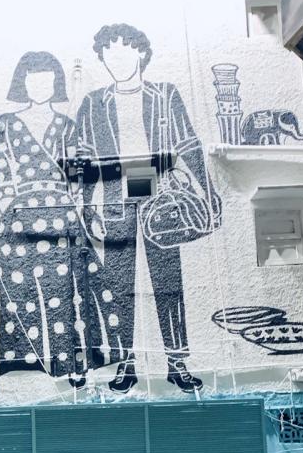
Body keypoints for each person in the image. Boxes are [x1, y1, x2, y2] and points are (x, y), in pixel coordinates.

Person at [0, 50, 124, 408]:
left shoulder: (67, 126)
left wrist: (76, 195)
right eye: (33, 80)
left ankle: (75, 365)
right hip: (19, 224)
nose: (40, 86)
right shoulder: (4, 125)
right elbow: (0, 180)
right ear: (22, 83)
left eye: (47, 80)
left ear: (56, 84)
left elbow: (77, 179)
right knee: (7, 294)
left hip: (63, 221)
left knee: (71, 293)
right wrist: (15, 212)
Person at [76, 23, 222, 394]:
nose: (115, 60)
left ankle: (177, 363)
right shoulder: (93, 103)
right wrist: (85, 207)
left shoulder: (165, 95)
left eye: (123, 51)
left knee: (168, 282)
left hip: (161, 194)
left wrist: (208, 191)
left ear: (141, 53)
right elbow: (83, 157)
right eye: (108, 54)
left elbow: (188, 143)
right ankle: (125, 363)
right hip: (115, 194)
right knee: (118, 285)